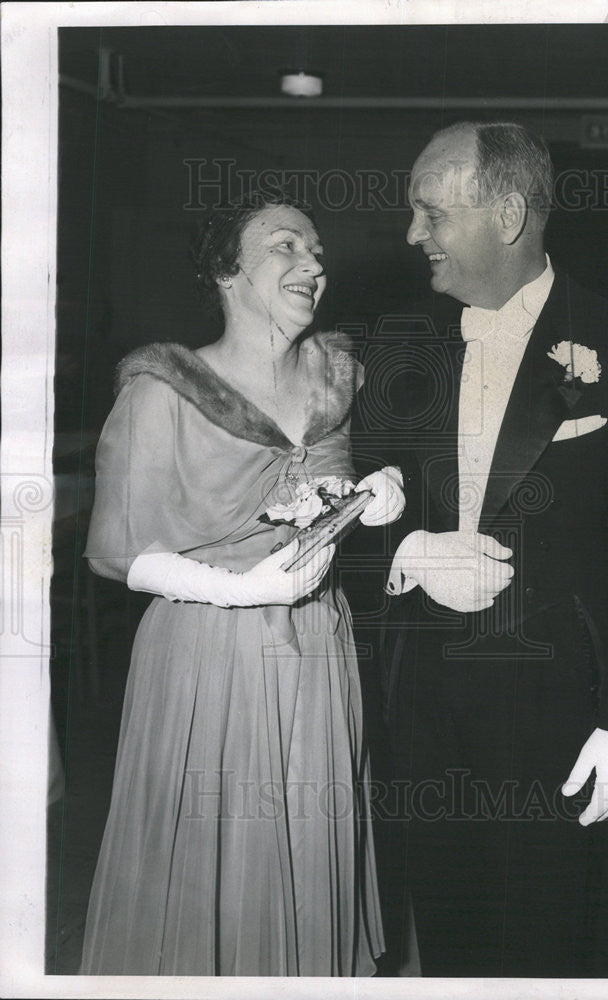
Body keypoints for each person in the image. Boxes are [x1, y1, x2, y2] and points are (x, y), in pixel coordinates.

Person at [381, 122, 608, 976]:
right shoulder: (405, 340)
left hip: (558, 711)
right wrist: (407, 548)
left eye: (429, 213)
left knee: (545, 947)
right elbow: (363, 503)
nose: (412, 236)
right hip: (423, 709)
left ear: (507, 214)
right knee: (444, 935)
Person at [79, 189, 405, 976]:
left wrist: (377, 494)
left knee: (305, 851)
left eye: (318, 250)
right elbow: (116, 551)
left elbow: (324, 497)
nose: (312, 262)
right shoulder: (163, 387)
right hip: (205, 654)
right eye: (285, 245)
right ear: (227, 273)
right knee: (209, 870)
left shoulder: (336, 378)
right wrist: (235, 591)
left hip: (319, 647)